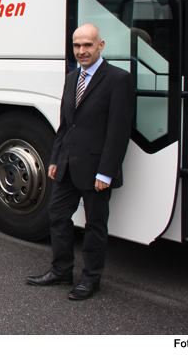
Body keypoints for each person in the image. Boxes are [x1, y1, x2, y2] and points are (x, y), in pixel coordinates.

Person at [26, 24, 134, 300]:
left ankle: (91, 279)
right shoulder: (73, 77)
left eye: (87, 45)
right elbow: (66, 124)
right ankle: (61, 270)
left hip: (97, 170)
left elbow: (118, 132)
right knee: (58, 216)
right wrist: (55, 159)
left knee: (95, 225)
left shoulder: (118, 79)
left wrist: (107, 173)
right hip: (68, 165)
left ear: (101, 46)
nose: (81, 51)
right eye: (77, 45)